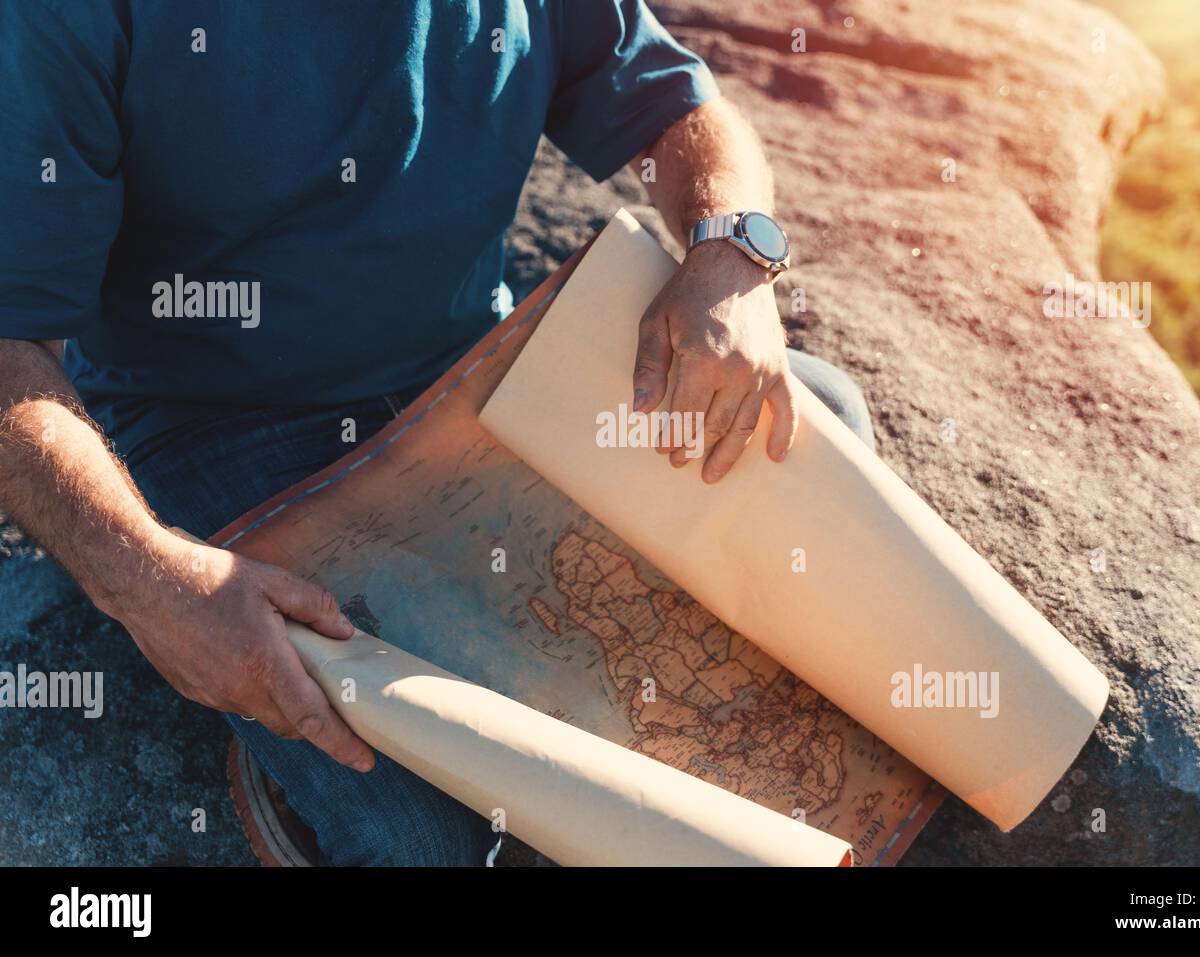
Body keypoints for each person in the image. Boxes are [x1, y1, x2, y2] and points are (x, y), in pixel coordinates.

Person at [0, 0, 874, 865]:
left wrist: (731, 258)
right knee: (422, 840)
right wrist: (154, 584)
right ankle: (294, 753)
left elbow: (679, 108)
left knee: (809, 429)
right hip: (215, 429)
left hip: (477, 374)